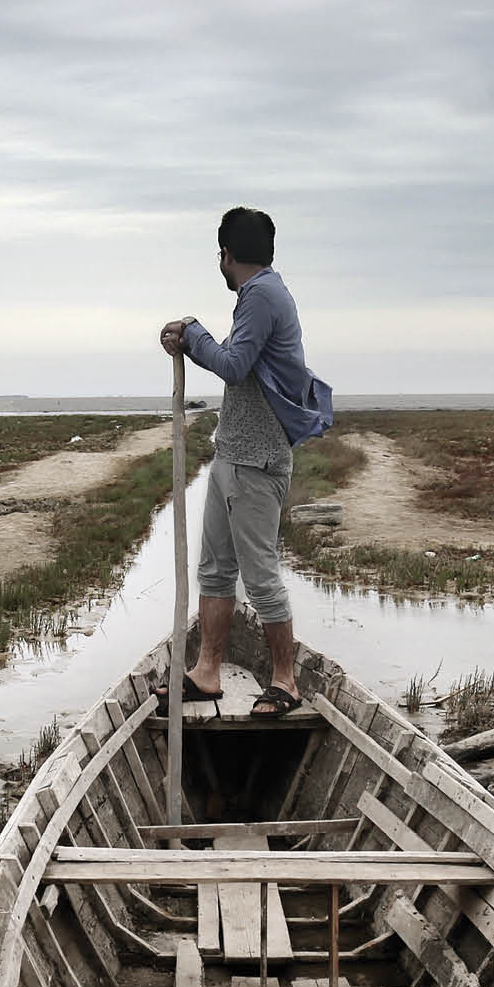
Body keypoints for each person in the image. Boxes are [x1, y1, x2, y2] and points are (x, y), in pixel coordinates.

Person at [159, 206, 334, 717]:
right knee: (215, 570)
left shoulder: (261, 296)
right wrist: (195, 340)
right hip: (233, 451)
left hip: (256, 461)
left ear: (226, 255)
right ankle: (207, 672)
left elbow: (234, 367)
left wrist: (193, 335)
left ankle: (286, 681)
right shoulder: (260, 295)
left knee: (259, 575)